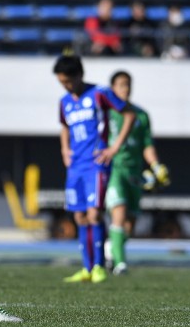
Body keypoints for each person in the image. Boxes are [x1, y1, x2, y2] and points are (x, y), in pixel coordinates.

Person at [54, 55, 135, 284]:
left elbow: (129, 114)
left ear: (79, 75)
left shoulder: (100, 93)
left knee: (94, 214)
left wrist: (114, 147)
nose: (66, 86)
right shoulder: (64, 102)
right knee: (79, 216)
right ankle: (87, 268)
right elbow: (64, 126)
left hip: (96, 164)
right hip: (75, 166)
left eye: (68, 81)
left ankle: (99, 266)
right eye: (62, 82)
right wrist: (64, 149)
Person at [105, 71, 170, 275]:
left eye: (128, 84)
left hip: (135, 172)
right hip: (114, 169)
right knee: (119, 212)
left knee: (130, 224)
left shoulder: (141, 115)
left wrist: (156, 166)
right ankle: (121, 263)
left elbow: (147, 145)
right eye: (121, 85)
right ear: (113, 88)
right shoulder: (107, 113)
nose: (126, 89)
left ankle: (111, 248)